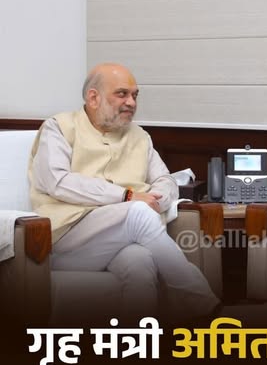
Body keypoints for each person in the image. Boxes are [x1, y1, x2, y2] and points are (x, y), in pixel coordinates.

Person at [29, 62, 221, 322]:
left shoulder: (139, 137)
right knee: (138, 213)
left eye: (135, 95)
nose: (131, 102)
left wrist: (157, 200)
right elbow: (57, 181)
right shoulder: (59, 127)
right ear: (93, 98)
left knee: (140, 261)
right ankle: (205, 306)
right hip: (65, 241)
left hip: (115, 239)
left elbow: (165, 179)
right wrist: (126, 197)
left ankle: (137, 338)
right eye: (122, 94)